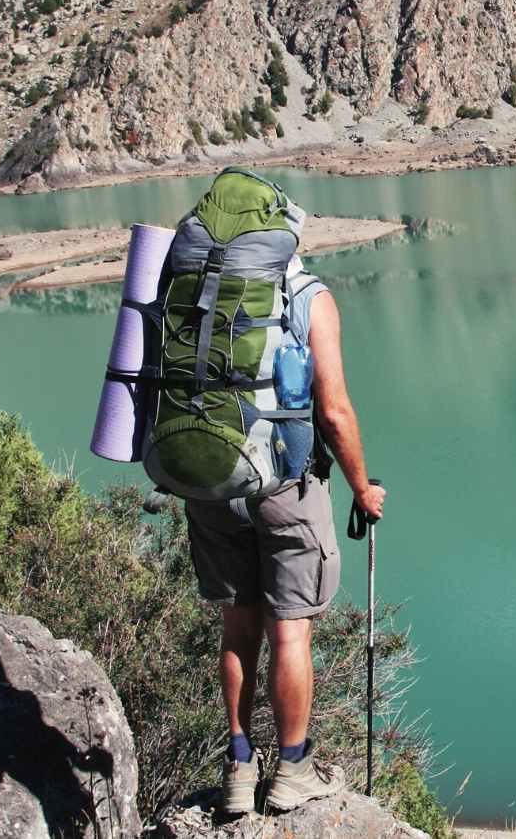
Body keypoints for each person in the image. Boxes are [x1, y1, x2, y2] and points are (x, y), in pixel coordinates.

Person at [181, 272, 387, 815]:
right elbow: (334, 412)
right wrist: (362, 489)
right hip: (283, 483)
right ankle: (293, 770)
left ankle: (238, 768)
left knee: (238, 624)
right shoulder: (305, 296)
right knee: (290, 632)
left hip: (211, 480)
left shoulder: (194, 285)